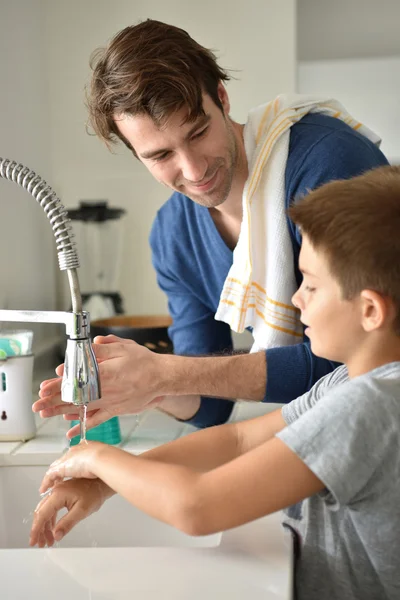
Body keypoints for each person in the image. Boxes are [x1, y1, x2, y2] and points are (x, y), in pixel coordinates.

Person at [30, 165, 400, 599]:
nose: (296, 298)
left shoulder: (371, 404)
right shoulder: (349, 382)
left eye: (312, 287)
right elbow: (240, 441)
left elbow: (199, 506)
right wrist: (105, 483)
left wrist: (98, 459)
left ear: (371, 311)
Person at [33, 19, 389, 433]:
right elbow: (209, 408)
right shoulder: (173, 235)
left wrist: (168, 373)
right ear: (135, 153)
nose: (194, 169)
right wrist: (137, 385)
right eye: (160, 155)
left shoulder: (328, 163)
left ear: (221, 97)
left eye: (198, 132)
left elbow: (358, 356)